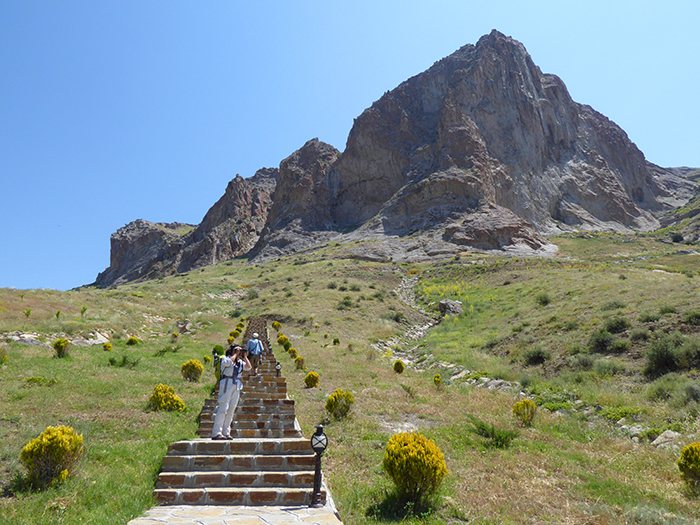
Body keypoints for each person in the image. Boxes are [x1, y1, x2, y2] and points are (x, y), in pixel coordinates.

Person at [211, 344, 251, 440]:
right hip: (227, 383)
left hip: (236, 384)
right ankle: (217, 432)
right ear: (232, 351)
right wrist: (235, 354)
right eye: (237, 350)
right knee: (223, 408)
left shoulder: (240, 362)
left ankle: (226, 432)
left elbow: (249, 367)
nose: (238, 352)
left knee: (231, 411)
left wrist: (245, 356)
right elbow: (228, 362)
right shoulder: (226, 358)